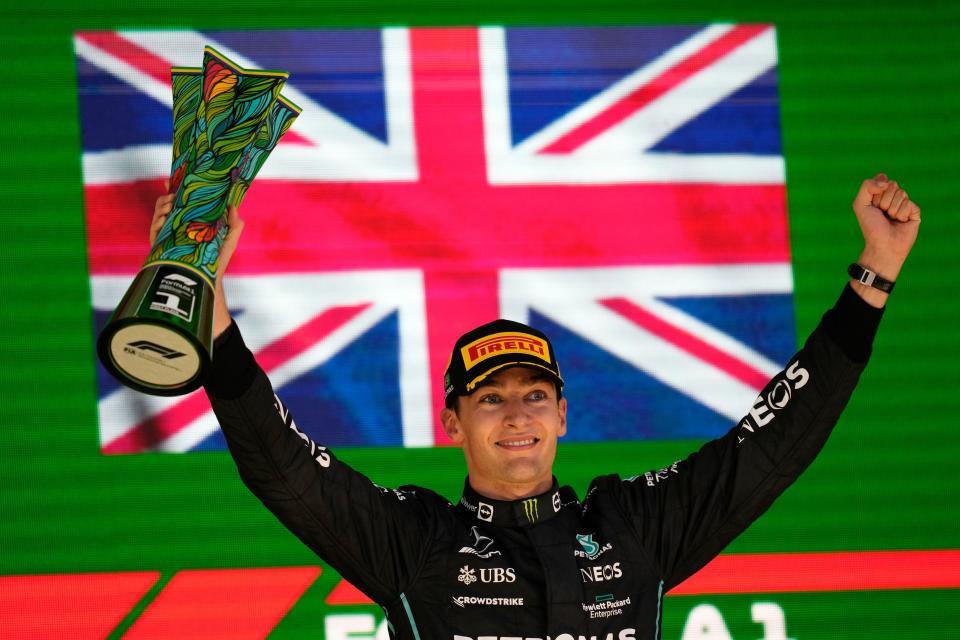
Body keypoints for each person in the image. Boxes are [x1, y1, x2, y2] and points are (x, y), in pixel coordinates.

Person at [152, 174, 920, 639]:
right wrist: (210, 309)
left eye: (534, 396)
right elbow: (282, 469)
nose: (515, 414)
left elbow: (773, 445)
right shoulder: (413, 541)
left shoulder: (635, 528)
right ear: (452, 423)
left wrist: (874, 276)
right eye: (489, 399)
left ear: (563, 416)